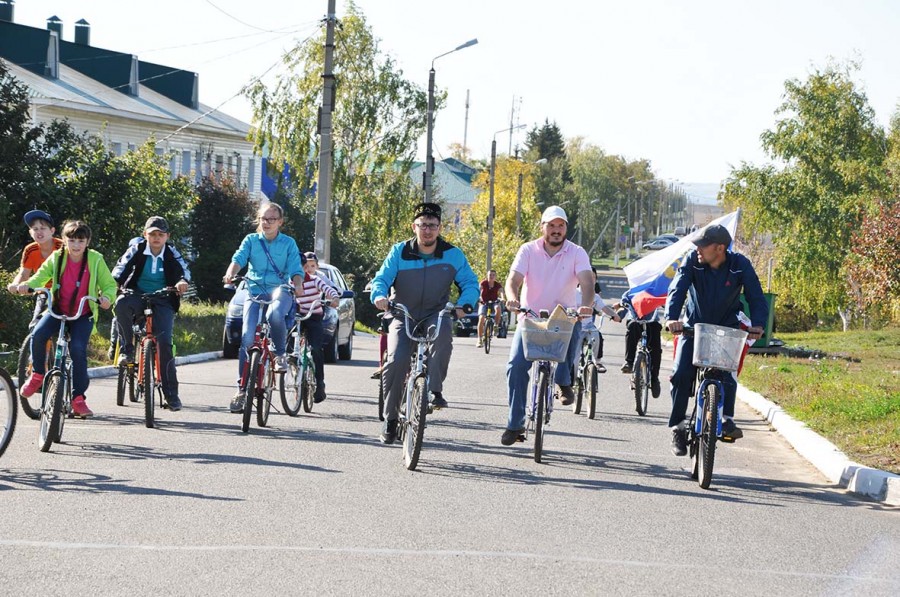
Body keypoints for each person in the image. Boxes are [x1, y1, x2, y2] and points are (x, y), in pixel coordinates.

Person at [370, 202, 479, 444]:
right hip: (403, 313)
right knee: (396, 361)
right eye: (422, 225)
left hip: (435, 313)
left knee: (443, 337)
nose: (427, 230)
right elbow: (381, 279)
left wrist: (466, 304)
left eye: (432, 226)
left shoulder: (453, 254)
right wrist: (379, 296)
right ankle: (390, 419)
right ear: (414, 227)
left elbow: (470, 283)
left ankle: (434, 391)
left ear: (440, 228)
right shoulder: (399, 251)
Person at [665, 224, 768, 456]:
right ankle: (678, 427)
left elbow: (756, 296)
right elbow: (677, 289)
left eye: (703, 245)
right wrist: (672, 317)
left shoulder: (739, 265)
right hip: (693, 328)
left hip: (726, 329)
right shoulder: (692, 260)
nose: (697, 249)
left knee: (727, 372)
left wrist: (758, 324)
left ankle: (726, 419)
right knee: (681, 373)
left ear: (720, 248)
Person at [501, 205, 594, 446]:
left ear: (566, 228)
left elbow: (586, 281)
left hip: (562, 317)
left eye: (560, 226)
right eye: (551, 225)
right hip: (530, 318)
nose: (556, 230)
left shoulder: (577, 252)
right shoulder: (528, 250)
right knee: (516, 366)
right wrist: (511, 297)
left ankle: (563, 382)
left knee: (574, 325)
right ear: (542, 227)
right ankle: (515, 423)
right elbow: (514, 279)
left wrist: (586, 305)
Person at [16, 220, 117, 418]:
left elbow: (109, 285)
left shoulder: (95, 259)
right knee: (38, 334)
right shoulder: (57, 256)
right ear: (63, 240)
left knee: (78, 350)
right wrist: (26, 285)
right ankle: (37, 374)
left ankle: (78, 398)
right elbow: (40, 276)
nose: (76, 245)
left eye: (80, 240)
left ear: (88, 241)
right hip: (57, 310)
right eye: (71, 240)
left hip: (82, 314)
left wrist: (106, 298)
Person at [223, 202, 305, 413]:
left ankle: (279, 355)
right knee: (248, 337)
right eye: (263, 219)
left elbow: (296, 268)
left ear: (280, 222)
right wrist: (231, 273)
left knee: (275, 314)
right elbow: (238, 259)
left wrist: (297, 285)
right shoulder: (251, 240)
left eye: (271, 219)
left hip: (281, 290)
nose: (266, 223)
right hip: (254, 290)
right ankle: (241, 390)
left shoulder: (288, 243)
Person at [111, 216, 191, 411]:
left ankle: (171, 394)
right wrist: (115, 284)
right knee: (121, 304)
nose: (156, 238)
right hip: (136, 294)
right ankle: (127, 350)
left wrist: (181, 282)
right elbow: (120, 268)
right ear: (144, 234)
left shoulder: (171, 252)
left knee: (164, 344)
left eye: (160, 234)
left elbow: (184, 271)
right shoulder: (137, 249)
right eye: (152, 234)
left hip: (163, 298)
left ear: (167, 236)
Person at [295, 251, 340, 404]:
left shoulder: (315, 280)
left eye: (307, 267)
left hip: (313, 317)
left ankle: (320, 384)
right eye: (302, 266)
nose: (305, 270)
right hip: (296, 318)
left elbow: (328, 289)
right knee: (287, 347)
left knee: (316, 349)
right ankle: (290, 369)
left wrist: (333, 298)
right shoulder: (290, 282)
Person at [6, 210, 64, 325]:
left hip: (64, 291)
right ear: (30, 233)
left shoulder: (63, 247)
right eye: (35, 229)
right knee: (36, 325)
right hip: (43, 291)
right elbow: (23, 273)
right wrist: (15, 285)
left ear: (52, 231)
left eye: (43, 228)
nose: (39, 232)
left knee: (68, 326)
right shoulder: (30, 250)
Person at [615, 291, 663, 397]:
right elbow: (624, 305)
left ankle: (654, 378)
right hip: (635, 321)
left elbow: (666, 301)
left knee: (656, 349)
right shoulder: (631, 292)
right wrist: (618, 315)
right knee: (631, 328)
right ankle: (629, 362)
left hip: (651, 321)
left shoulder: (656, 289)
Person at [476, 269, 505, 348]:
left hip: (494, 302)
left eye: (493, 275)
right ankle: (479, 339)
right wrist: (478, 297)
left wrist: (502, 298)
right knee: (481, 318)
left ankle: (495, 325)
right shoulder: (483, 283)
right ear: (487, 276)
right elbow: (479, 290)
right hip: (484, 302)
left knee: (498, 308)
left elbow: (501, 291)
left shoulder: (497, 284)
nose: (491, 276)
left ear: (495, 276)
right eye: (490, 275)